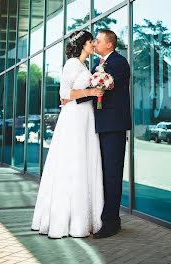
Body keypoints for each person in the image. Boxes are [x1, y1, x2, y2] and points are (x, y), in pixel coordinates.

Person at [31, 30, 105, 238]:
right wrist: (91, 92)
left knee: (86, 162)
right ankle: (68, 221)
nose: (93, 45)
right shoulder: (72, 64)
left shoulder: (84, 66)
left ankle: (84, 219)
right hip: (74, 119)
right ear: (82, 44)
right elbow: (65, 95)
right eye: (90, 42)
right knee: (73, 163)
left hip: (86, 117)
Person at [62, 29, 131, 239]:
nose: (95, 44)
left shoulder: (119, 63)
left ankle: (112, 223)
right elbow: (92, 89)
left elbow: (103, 86)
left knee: (112, 175)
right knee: (100, 174)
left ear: (109, 44)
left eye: (98, 41)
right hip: (97, 126)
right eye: (93, 41)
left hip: (113, 127)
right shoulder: (96, 65)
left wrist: (75, 96)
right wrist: (71, 99)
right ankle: (102, 217)